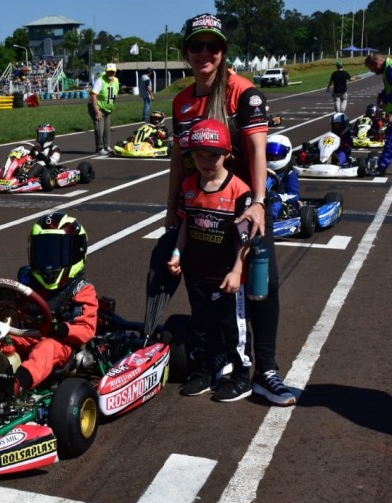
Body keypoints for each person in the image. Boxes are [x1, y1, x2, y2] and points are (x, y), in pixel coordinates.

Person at [148, 12, 295, 406]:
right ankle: (218, 362)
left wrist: (260, 204)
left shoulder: (243, 93)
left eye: (212, 46)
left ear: (223, 51)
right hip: (200, 210)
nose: (204, 53)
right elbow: (178, 163)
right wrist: (170, 216)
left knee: (261, 287)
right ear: (186, 52)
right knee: (207, 289)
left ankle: (264, 371)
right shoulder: (181, 102)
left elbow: (257, 150)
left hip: (245, 205)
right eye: (197, 46)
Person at [166, 119, 253, 402]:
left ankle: (241, 376)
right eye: (199, 155)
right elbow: (185, 225)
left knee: (233, 326)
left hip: (227, 273)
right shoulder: (189, 185)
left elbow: (244, 238)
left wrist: (237, 270)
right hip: (196, 271)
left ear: (227, 154)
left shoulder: (239, 191)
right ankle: (203, 371)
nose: (205, 161)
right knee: (201, 324)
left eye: (213, 155)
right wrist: (178, 253)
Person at [8, 212, 98, 395]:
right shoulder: (27, 281)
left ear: (77, 253)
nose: (49, 261)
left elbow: (87, 329)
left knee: (46, 349)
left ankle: (16, 385)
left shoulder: (81, 289)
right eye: (44, 253)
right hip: (29, 334)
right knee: (0, 339)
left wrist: (61, 328)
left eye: (57, 254)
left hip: (63, 343)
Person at [265, 135, 300, 220]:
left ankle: (269, 219)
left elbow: (294, 195)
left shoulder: (289, 174)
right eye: (269, 155)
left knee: (274, 202)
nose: (273, 157)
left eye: (276, 155)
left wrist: (279, 197)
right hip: (261, 199)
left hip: (280, 203)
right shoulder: (261, 172)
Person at [88, 63, 120, 156]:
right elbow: (93, 95)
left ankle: (107, 146)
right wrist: (97, 111)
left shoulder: (116, 81)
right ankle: (100, 148)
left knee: (107, 129)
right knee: (100, 128)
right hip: (98, 107)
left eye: (112, 72)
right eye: (109, 72)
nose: (110, 74)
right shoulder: (100, 80)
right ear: (106, 72)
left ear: (115, 72)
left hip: (107, 109)